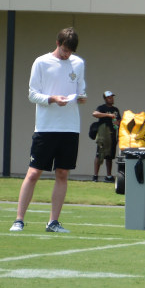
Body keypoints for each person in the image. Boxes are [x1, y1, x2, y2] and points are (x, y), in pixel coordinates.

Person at [10, 28, 87, 233]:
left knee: (62, 173)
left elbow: (81, 89)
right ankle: (19, 220)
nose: (66, 55)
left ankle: (53, 222)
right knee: (34, 172)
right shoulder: (41, 62)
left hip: (70, 127)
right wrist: (52, 99)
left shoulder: (78, 63)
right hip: (46, 127)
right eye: (64, 50)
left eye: (70, 51)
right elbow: (32, 95)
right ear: (57, 43)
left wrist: (81, 97)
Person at [92, 90, 121, 182]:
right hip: (103, 135)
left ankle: (109, 176)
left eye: (112, 97)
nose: (111, 99)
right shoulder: (102, 107)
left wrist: (118, 122)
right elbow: (95, 114)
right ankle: (95, 176)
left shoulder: (115, 109)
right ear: (105, 99)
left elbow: (119, 121)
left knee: (110, 156)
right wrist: (108, 115)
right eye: (109, 97)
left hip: (113, 134)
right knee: (99, 154)